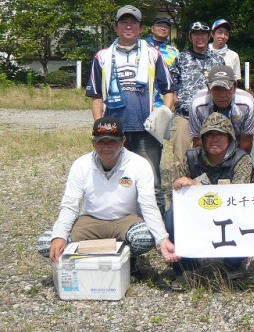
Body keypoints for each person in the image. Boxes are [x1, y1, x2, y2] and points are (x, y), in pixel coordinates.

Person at [36, 117, 179, 277]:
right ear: (93, 142)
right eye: (101, 142)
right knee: (46, 244)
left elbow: (148, 205)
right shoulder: (81, 165)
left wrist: (162, 239)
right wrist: (60, 236)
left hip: (126, 220)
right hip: (91, 220)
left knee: (144, 238)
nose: (106, 147)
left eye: (112, 141)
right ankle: (88, 263)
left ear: (123, 140)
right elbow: (70, 205)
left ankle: (127, 260)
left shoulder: (139, 164)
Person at [86, 5, 176, 213]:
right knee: (116, 180)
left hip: (148, 130)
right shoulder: (102, 57)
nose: (128, 26)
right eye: (124, 22)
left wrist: (164, 112)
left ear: (141, 28)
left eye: (133, 22)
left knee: (151, 181)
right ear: (116, 27)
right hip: (115, 130)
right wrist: (100, 126)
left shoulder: (153, 55)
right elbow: (97, 96)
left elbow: (169, 90)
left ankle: (158, 228)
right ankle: (121, 222)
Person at [166, 113, 254, 290]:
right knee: (171, 215)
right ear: (203, 138)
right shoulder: (191, 157)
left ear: (229, 139)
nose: (215, 139)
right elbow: (175, 189)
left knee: (247, 217)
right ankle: (186, 268)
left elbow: (238, 196)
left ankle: (234, 263)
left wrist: (198, 186)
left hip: (231, 214)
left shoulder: (242, 160)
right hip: (196, 213)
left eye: (220, 134)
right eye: (210, 135)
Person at [171, 21, 225, 171]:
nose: (199, 37)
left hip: (211, 114)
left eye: (203, 34)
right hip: (184, 115)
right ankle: (182, 189)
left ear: (209, 36)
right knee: (181, 156)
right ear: (190, 37)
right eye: (196, 34)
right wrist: (176, 102)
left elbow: (225, 86)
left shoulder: (218, 60)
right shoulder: (181, 59)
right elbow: (170, 86)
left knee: (212, 154)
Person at [188, 65, 254, 156]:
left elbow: (246, 141)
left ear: (235, 87)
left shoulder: (247, 104)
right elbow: (198, 142)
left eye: (226, 88)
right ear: (209, 88)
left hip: (239, 143)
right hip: (211, 146)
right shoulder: (197, 106)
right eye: (217, 88)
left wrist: (238, 164)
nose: (222, 94)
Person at [144, 16, 179, 109]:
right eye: (160, 25)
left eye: (166, 27)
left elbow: (177, 78)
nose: (163, 28)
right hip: (142, 99)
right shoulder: (141, 45)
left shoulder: (174, 52)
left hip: (165, 102)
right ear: (152, 28)